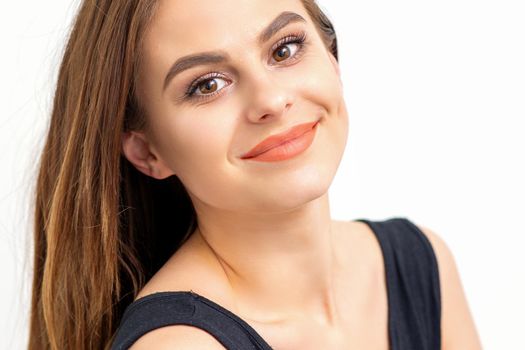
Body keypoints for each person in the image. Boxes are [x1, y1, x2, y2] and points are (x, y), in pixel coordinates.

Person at [29, 0, 482, 349]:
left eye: (285, 48)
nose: (270, 100)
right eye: (207, 85)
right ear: (147, 151)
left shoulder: (423, 264)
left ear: (332, 57)